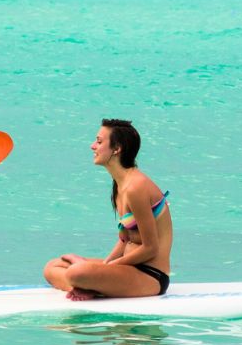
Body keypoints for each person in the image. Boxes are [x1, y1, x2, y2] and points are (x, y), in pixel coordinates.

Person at [43, 119, 173, 301]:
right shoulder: (120, 185)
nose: (92, 146)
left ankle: (87, 282)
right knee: (52, 267)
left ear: (117, 148)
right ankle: (89, 286)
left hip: (150, 276)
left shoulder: (136, 187)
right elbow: (125, 240)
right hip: (127, 269)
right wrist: (105, 265)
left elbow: (150, 248)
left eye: (99, 141)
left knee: (76, 272)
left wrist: (106, 269)